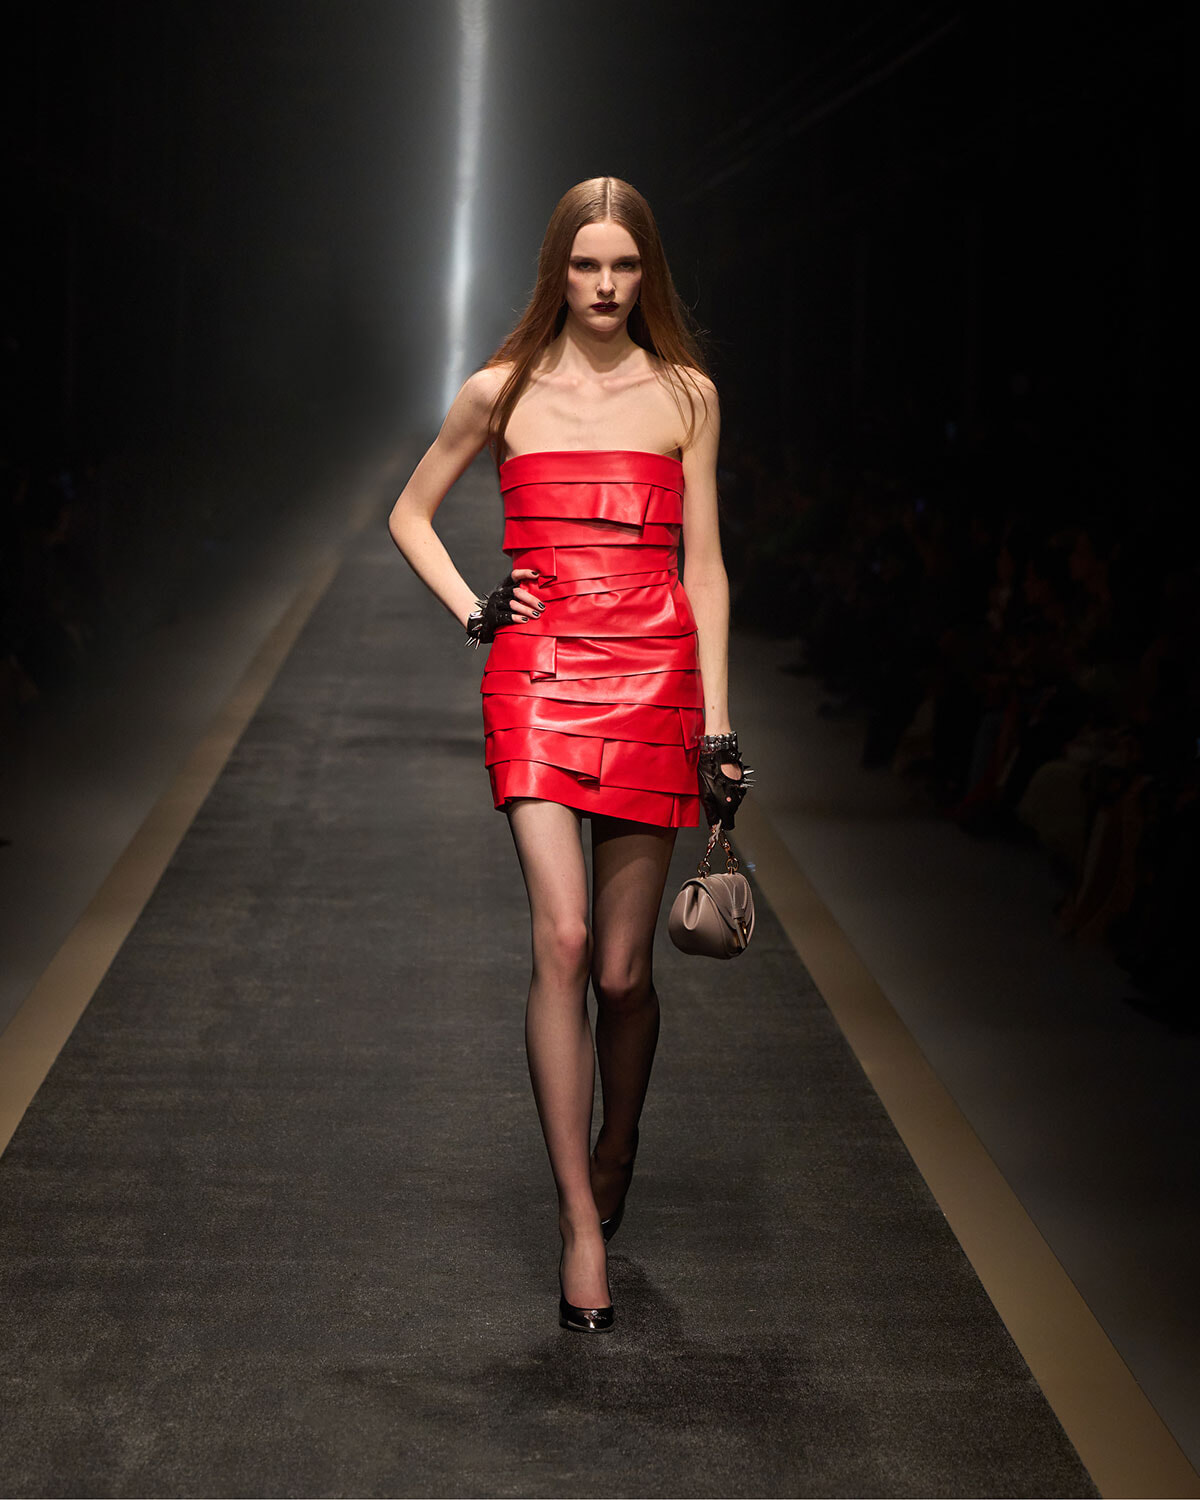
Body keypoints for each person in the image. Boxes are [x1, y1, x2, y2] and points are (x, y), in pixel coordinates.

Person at [387, 176, 751, 1332]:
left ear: (650, 273)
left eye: (626, 267)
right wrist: (472, 611)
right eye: (587, 266)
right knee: (565, 935)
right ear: (559, 268)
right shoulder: (500, 390)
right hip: (538, 675)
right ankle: (579, 1224)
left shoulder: (687, 396)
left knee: (624, 977)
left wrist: (721, 727)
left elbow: (705, 569)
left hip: (654, 677)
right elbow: (407, 510)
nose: (605, 287)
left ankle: (621, 1142)